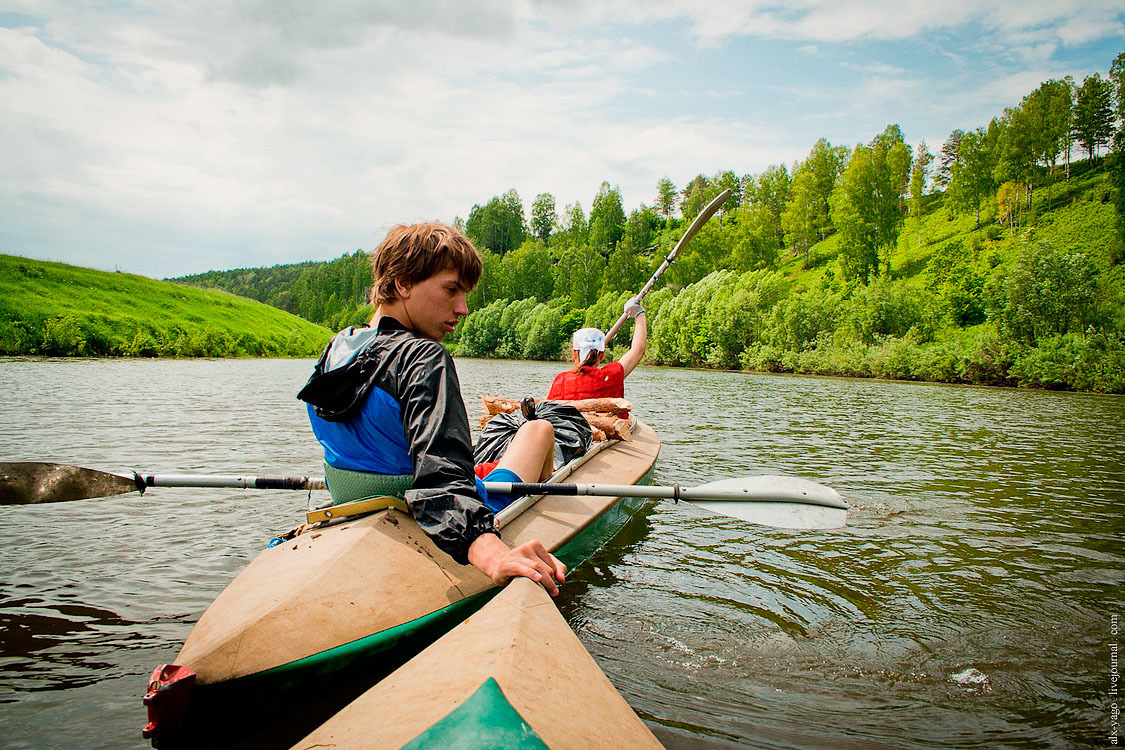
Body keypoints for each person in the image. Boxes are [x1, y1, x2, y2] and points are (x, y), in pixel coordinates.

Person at [297, 222, 566, 596]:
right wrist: (490, 555)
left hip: (357, 505)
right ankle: (537, 508)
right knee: (538, 430)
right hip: (437, 510)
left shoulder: (336, 350)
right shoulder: (423, 357)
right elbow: (439, 480)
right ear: (403, 283)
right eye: (451, 290)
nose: (464, 308)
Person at [547, 296, 646, 400]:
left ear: (574, 353)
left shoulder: (560, 380)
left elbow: (546, 407)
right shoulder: (611, 376)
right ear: (602, 355)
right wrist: (639, 313)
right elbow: (638, 350)